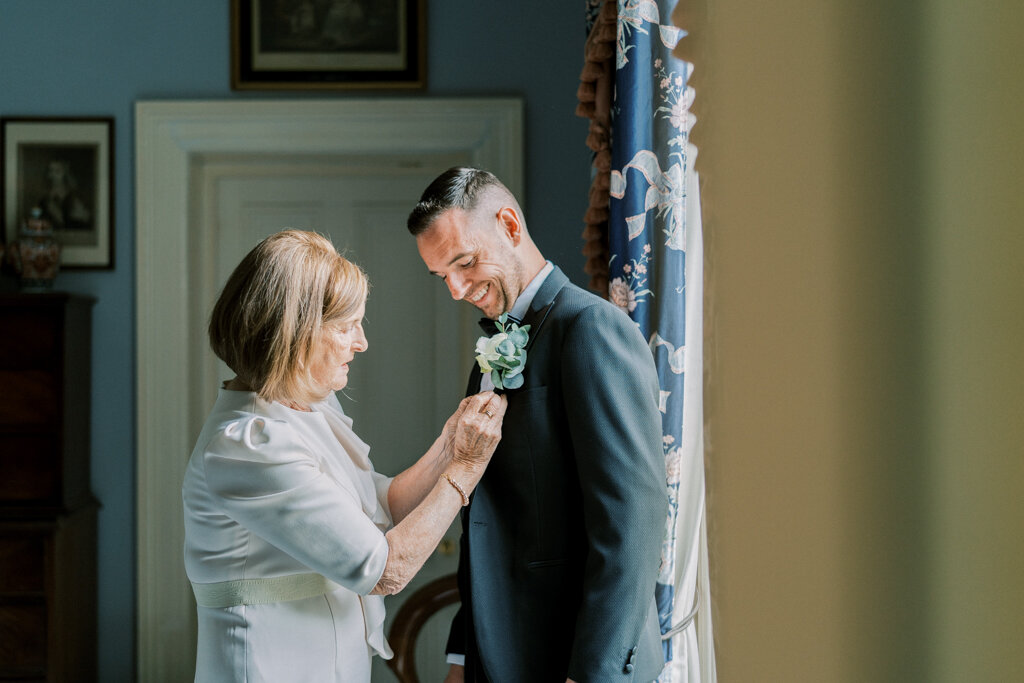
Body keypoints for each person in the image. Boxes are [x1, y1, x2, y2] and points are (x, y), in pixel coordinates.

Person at [182, 229, 507, 682]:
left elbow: (384, 505)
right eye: (346, 326)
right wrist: (465, 470)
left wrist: (450, 444)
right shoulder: (248, 444)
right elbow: (383, 570)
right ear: (294, 333)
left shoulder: (306, 410)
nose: (361, 343)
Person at [408, 168, 667, 682]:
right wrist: (463, 655)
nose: (457, 290)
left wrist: (591, 674)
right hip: (497, 656)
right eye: (443, 277)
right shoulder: (491, 354)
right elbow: (487, 517)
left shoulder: (592, 329)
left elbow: (631, 523)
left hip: (570, 659)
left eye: (464, 263)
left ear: (509, 225)